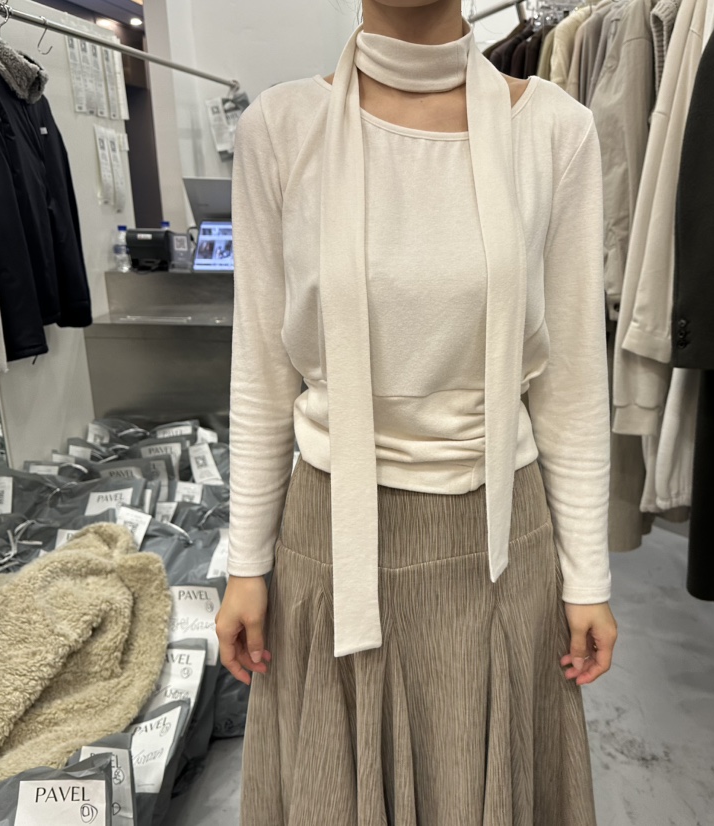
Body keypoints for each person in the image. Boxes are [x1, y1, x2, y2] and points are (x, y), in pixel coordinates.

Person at [216, 0, 618, 822]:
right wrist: (246, 563)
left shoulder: (555, 130)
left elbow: (572, 381)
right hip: (329, 547)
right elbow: (261, 369)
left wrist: (588, 576)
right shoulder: (279, 129)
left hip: (499, 551)